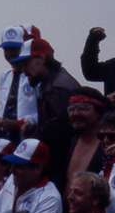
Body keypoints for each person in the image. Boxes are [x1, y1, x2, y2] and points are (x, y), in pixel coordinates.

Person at [13, 37, 81, 188]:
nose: (23, 70)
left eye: (26, 63)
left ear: (42, 59)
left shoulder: (56, 87)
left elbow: (59, 130)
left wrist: (29, 130)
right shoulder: (54, 81)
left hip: (61, 167)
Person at [0, 25, 38, 145]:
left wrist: (19, 123)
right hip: (6, 139)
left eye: (15, 49)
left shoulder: (36, 76)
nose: (10, 53)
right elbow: (4, 107)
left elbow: (44, 112)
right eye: (7, 49)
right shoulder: (5, 76)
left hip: (29, 140)